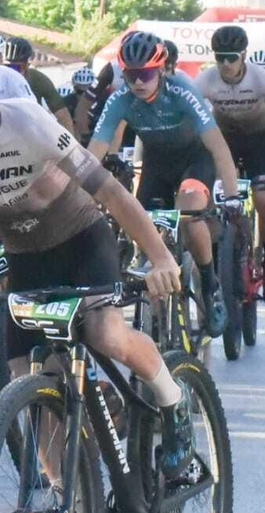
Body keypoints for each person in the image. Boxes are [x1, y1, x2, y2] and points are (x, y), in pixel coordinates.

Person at [0, 38, 200, 486]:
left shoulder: (29, 124)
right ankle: (74, 508)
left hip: (81, 238)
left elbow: (108, 190)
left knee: (105, 334)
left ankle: (173, 399)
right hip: (26, 256)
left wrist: (161, 257)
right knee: (26, 377)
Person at [87, 30, 241, 336]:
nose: (138, 83)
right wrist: (77, 193)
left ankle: (210, 284)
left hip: (195, 159)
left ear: (160, 69)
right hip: (157, 164)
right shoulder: (121, 98)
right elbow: (94, 151)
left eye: (145, 74)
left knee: (189, 213)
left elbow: (218, 147)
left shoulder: (182, 91)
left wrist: (233, 195)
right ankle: (156, 311)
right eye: (131, 75)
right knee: (139, 222)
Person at [192, 24, 265, 303]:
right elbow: (189, 118)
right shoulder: (205, 80)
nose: (225, 64)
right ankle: (217, 256)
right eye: (219, 58)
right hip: (225, 140)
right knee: (210, 197)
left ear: (243, 55)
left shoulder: (261, 78)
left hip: (260, 140)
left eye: (231, 57)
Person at [4, 34, 77, 131]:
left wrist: (70, 139)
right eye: (8, 67)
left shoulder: (38, 80)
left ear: (27, 65)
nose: (12, 72)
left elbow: (63, 116)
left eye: (17, 68)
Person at [69, 65, 101, 144]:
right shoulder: (67, 102)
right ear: (74, 89)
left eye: (88, 93)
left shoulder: (103, 102)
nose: (84, 96)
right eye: (80, 92)